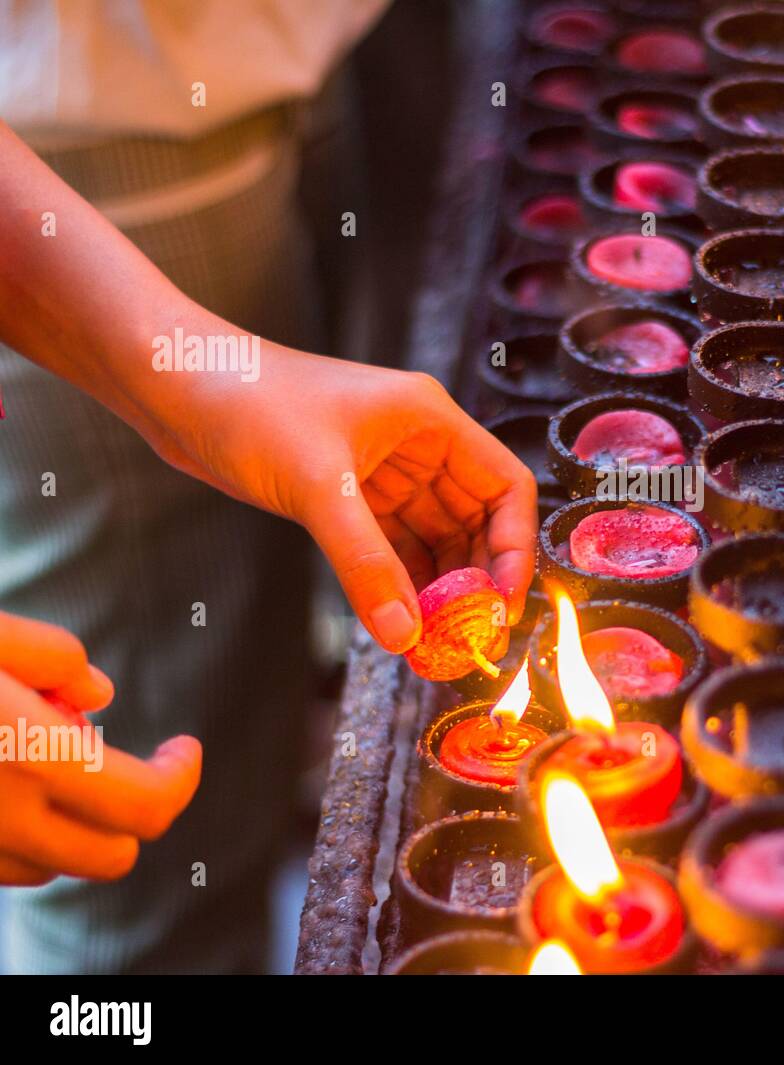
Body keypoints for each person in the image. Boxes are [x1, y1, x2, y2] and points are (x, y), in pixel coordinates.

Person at [0, 2, 535, 973]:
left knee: (246, 692)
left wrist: (188, 375)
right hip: (103, 93)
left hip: (246, 62)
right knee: (135, 903)